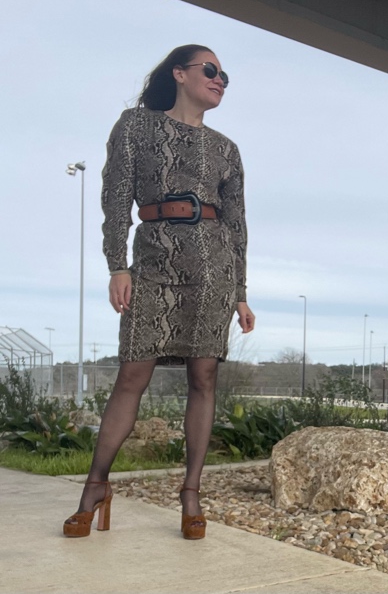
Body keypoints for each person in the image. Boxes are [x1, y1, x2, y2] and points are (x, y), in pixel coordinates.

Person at [63, 45, 255, 540]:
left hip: (214, 267)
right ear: (179, 73)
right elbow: (114, 198)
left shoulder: (228, 149)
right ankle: (95, 487)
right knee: (132, 374)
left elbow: (237, 225)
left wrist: (240, 291)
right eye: (210, 70)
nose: (220, 80)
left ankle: (191, 493)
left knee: (204, 376)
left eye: (224, 75)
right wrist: (117, 266)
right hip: (151, 263)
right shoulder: (135, 126)